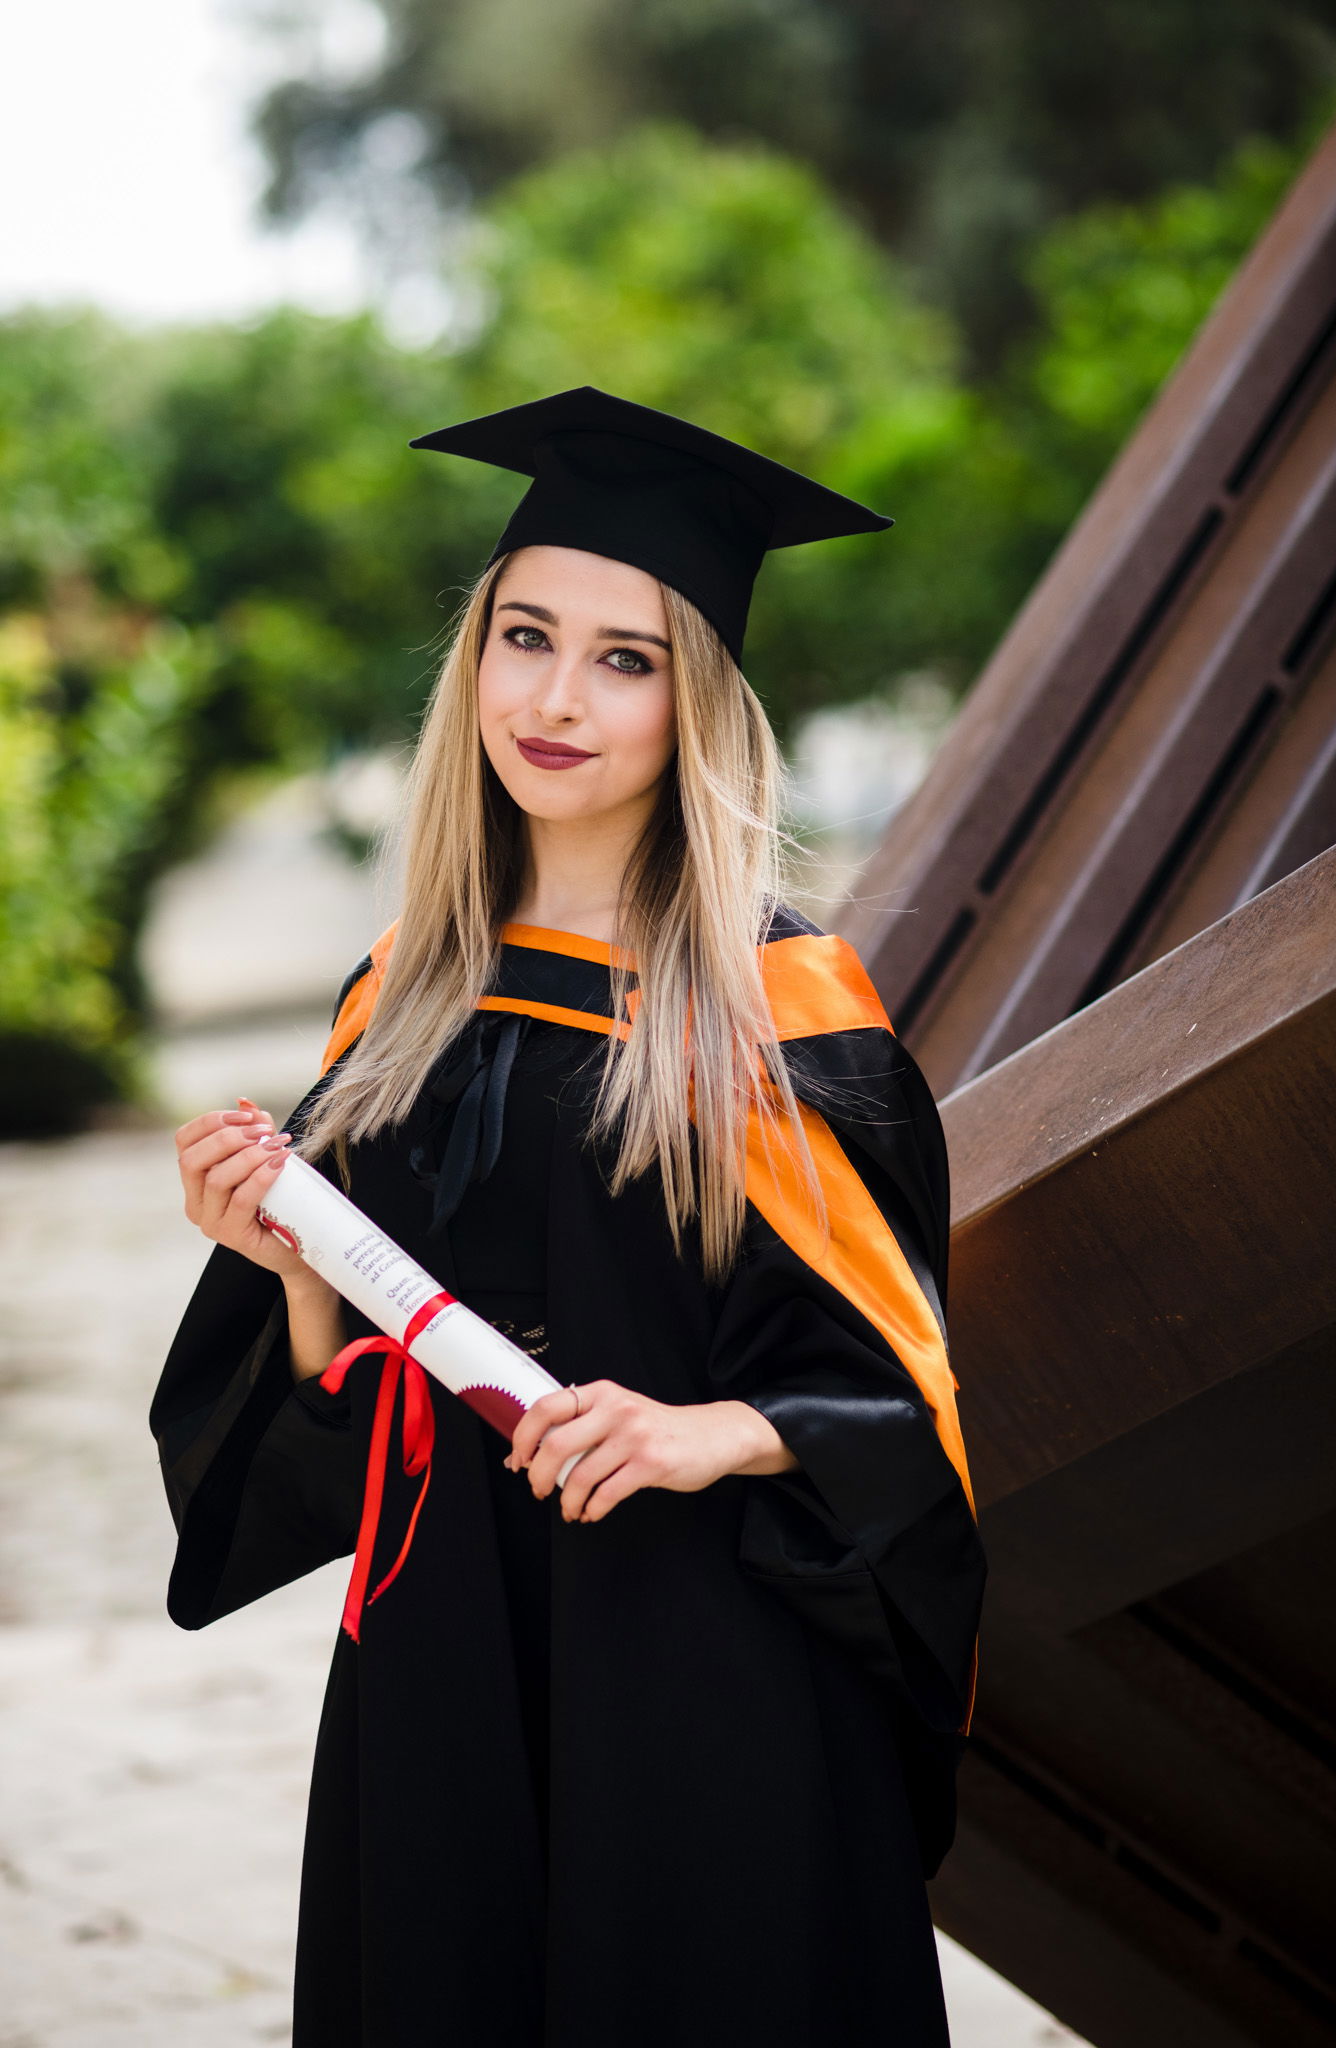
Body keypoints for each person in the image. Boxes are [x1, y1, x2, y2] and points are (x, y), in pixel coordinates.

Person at [151, 388, 986, 2048]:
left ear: (700, 704)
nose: (553, 697)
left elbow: (910, 1399)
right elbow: (343, 1403)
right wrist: (285, 1262)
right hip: (441, 1655)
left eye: (626, 657)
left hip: (701, 1662)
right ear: (472, 659)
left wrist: (706, 1436)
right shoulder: (396, 999)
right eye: (524, 636)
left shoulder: (780, 1016)